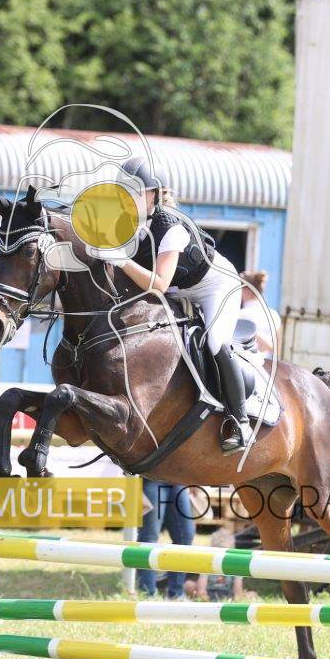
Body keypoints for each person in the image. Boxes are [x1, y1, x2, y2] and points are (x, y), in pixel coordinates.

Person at [105, 156, 252, 453]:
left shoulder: (170, 227)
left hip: (215, 287)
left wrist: (120, 261)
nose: (127, 200)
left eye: (135, 193)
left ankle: (241, 420)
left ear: (154, 195)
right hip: (178, 290)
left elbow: (158, 283)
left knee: (215, 342)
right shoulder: (127, 224)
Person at [136, 479, 196, 599]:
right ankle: (147, 594)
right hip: (150, 477)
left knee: (186, 535)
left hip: (177, 479)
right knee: (149, 538)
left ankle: (176, 594)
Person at [238, 270, 281, 356]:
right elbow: (278, 350)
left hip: (246, 362)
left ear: (246, 290)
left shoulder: (241, 315)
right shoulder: (274, 315)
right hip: (268, 363)